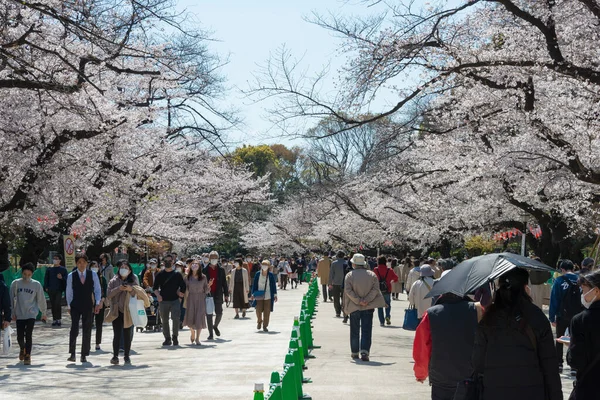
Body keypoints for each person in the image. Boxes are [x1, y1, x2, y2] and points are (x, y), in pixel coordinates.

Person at [473, 268, 562, 400]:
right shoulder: (536, 316)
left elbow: (477, 363)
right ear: (525, 287)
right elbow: (549, 365)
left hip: (494, 391)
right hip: (532, 391)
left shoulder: (489, 317)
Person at [413, 293, 484, 400]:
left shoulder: (431, 314)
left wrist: (421, 373)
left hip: (441, 378)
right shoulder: (477, 310)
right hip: (469, 376)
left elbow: (422, 348)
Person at [343, 253, 385, 362]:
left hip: (354, 306)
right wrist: (366, 300)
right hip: (368, 306)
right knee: (367, 329)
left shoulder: (349, 275)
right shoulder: (372, 275)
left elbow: (348, 291)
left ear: (354, 264)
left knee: (354, 330)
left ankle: (354, 352)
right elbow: (375, 289)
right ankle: (365, 352)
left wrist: (358, 300)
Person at [106, 261, 149, 364]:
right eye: (122, 267)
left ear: (130, 270)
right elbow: (109, 295)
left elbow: (139, 293)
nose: (124, 269)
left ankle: (126, 356)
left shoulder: (133, 280)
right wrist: (118, 289)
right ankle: (115, 356)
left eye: (126, 267)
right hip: (116, 310)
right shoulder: (113, 281)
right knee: (116, 334)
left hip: (129, 311)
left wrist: (131, 289)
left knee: (127, 334)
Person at [567, 270, 600, 399]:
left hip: (589, 388)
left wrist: (571, 346)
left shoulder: (580, 320)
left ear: (596, 291)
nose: (582, 294)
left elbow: (576, 361)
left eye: (584, 289)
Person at [66, 253, 102, 363]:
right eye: (79, 262)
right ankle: (72, 353)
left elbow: (97, 290)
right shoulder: (71, 276)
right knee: (74, 328)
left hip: (87, 304)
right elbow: (69, 291)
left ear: (87, 263)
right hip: (75, 304)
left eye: (84, 262)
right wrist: (68, 305)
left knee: (87, 328)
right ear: (76, 263)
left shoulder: (93, 275)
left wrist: (97, 302)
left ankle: (84, 354)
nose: (81, 265)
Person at [549, 259, 582, 374]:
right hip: (578, 316)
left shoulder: (558, 281)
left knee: (559, 338)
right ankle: (574, 365)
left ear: (562, 269)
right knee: (575, 339)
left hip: (562, 314)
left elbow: (554, 299)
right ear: (573, 268)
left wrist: (552, 317)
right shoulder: (580, 280)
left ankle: (559, 364)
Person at [10, 262, 47, 365]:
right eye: (25, 274)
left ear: (32, 274)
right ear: (22, 273)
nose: (26, 277)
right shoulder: (15, 283)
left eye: (29, 275)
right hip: (19, 313)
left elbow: (41, 299)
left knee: (29, 334)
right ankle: (23, 348)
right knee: (19, 336)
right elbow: (11, 299)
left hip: (31, 313)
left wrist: (43, 312)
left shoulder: (36, 284)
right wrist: (12, 312)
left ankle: (28, 355)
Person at [153, 253, 186, 346]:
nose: (168, 262)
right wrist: (158, 295)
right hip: (163, 301)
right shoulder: (160, 274)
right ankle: (167, 338)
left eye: (170, 261)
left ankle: (175, 336)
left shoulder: (177, 274)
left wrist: (180, 296)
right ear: (163, 262)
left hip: (175, 300)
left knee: (176, 319)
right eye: (166, 261)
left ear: (173, 262)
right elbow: (155, 288)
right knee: (165, 320)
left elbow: (183, 287)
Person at [183, 259, 213, 345]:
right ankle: (192, 332)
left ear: (199, 266)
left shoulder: (203, 277)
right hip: (190, 298)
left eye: (196, 264)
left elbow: (206, 290)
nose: (194, 266)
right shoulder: (187, 277)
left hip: (201, 298)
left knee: (199, 317)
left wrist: (209, 285)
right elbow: (184, 288)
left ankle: (197, 338)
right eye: (193, 264)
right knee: (190, 316)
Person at [203, 251, 228, 340]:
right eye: (212, 258)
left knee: (219, 313)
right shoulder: (204, 270)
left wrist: (226, 294)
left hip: (218, 293)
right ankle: (210, 333)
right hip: (208, 294)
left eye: (215, 258)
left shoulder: (221, 270)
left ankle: (215, 325)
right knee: (209, 314)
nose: (214, 260)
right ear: (209, 259)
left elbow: (224, 283)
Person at [252, 260, 278, 332]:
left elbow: (273, 286)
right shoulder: (257, 274)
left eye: (266, 265)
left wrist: (275, 295)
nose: (264, 266)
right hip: (259, 295)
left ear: (269, 266)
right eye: (263, 265)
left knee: (267, 311)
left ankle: (265, 325)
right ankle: (259, 321)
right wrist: (253, 293)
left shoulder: (270, 275)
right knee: (258, 310)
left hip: (268, 295)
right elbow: (254, 284)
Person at [373, 256, 399, 326]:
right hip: (387, 289)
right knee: (387, 304)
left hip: (378, 290)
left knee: (379, 306)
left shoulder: (376, 270)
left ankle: (381, 321)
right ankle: (387, 316)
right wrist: (391, 281)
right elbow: (396, 278)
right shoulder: (389, 270)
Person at [44, 254, 67, 326]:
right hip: (51, 289)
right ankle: (54, 319)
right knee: (53, 304)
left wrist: (61, 278)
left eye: (57, 259)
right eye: (54, 259)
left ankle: (58, 319)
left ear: (60, 260)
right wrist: (46, 287)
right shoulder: (49, 269)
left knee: (57, 304)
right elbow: (46, 279)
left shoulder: (63, 269)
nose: (55, 260)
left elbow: (66, 279)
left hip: (59, 289)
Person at [90, 261, 107, 351]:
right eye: (92, 266)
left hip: (100, 303)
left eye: (96, 266)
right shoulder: (87, 278)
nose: (94, 268)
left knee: (99, 324)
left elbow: (105, 292)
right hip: (89, 304)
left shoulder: (102, 278)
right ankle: (87, 342)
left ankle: (97, 343)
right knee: (88, 323)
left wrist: (101, 302)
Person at [329, 251, 346, 317]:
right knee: (344, 298)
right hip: (344, 283)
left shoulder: (334, 263)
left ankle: (337, 312)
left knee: (336, 298)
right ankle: (343, 308)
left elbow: (331, 274)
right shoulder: (346, 263)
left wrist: (330, 283)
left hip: (335, 283)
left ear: (337, 256)